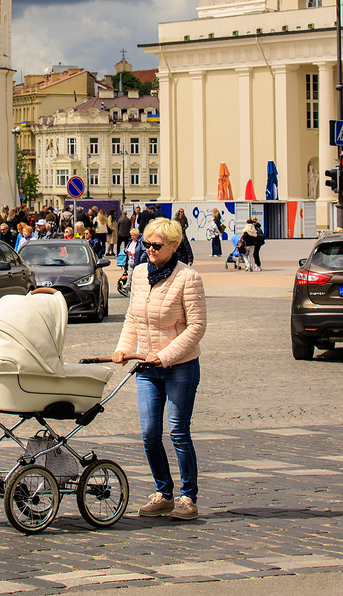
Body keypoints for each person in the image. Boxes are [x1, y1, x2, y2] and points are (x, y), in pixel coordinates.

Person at [112, 218, 207, 521]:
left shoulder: (188, 278)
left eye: (157, 245)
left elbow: (196, 328)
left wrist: (164, 356)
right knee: (150, 434)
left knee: (178, 431)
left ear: (175, 246)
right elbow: (132, 318)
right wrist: (124, 349)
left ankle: (188, 498)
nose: (150, 250)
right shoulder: (139, 274)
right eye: (146, 245)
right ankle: (163, 493)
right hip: (146, 366)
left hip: (180, 365)